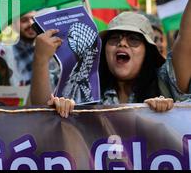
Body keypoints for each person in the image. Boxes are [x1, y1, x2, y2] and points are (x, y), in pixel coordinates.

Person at [31, 11, 177, 117]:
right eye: (114, 38)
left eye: (133, 39)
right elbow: (39, 115)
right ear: (103, 50)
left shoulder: (164, 86)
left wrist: (164, 112)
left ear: (147, 52)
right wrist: (40, 59)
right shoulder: (82, 87)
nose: (122, 43)